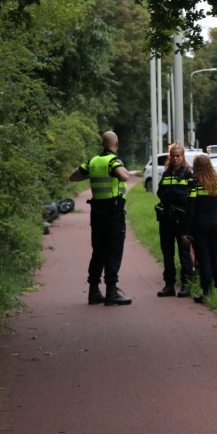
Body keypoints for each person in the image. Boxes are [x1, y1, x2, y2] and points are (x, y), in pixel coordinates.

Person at [69, 131, 133, 306]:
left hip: (97, 213)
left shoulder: (93, 161)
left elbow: (73, 176)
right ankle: (111, 292)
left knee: (98, 251)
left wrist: (92, 174)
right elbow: (124, 176)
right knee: (113, 251)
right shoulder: (113, 161)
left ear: (102, 143)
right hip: (113, 213)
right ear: (116, 144)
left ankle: (93, 292)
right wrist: (121, 168)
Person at [183, 155, 217, 303]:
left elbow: (191, 208)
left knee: (204, 258)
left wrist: (187, 231)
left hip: (200, 224)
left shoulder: (194, 182)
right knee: (216, 257)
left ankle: (206, 290)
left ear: (196, 166)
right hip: (215, 222)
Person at [156, 142, 194, 297]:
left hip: (182, 219)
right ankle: (169, 285)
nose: (175, 159)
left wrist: (177, 199)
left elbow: (191, 197)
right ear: (169, 157)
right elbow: (160, 192)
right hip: (167, 219)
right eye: (173, 156)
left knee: (184, 253)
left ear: (183, 156)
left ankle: (186, 285)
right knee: (167, 252)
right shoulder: (166, 173)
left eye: (178, 156)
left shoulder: (188, 174)